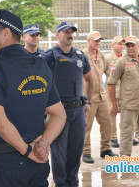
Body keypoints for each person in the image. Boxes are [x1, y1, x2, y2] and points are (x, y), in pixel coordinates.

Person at [0, 9, 66, 187]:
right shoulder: (39, 64)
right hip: (37, 164)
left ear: (6, 33)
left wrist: (28, 151)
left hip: (4, 166)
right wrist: (42, 145)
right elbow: (59, 114)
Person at [41, 21, 94, 187]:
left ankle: (73, 181)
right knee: (59, 152)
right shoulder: (50, 56)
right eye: (65, 32)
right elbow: (41, 82)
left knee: (76, 149)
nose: (69, 34)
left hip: (78, 110)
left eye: (71, 32)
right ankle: (61, 182)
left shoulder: (80, 55)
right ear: (57, 35)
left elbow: (90, 79)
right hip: (58, 111)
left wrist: (88, 102)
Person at [82, 31, 118, 164]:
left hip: (102, 97)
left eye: (99, 41)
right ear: (88, 40)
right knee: (86, 126)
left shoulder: (102, 56)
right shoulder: (82, 56)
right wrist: (83, 98)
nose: (98, 43)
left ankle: (106, 149)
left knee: (107, 123)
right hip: (89, 98)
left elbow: (110, 72)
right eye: (95, 40)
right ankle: (86, 152)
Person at [108, 35, 139, 156]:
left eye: (133, 45)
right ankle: (125, 166)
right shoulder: (120, 61)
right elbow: (111, 83)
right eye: (128, 46)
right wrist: (113, 105)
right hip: (129, 105)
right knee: (127, 134)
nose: (130, 48)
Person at [105, 36, 125, 148]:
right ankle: (113, 138)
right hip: (111, 92)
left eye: (123, 44)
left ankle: (128, 137)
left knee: (126, 117)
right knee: (112, 116)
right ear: (113, 45)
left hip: (125, 92)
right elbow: (100, 72)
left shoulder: (127, 58)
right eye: (119, 44)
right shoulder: (108, 58)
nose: (121, 46)